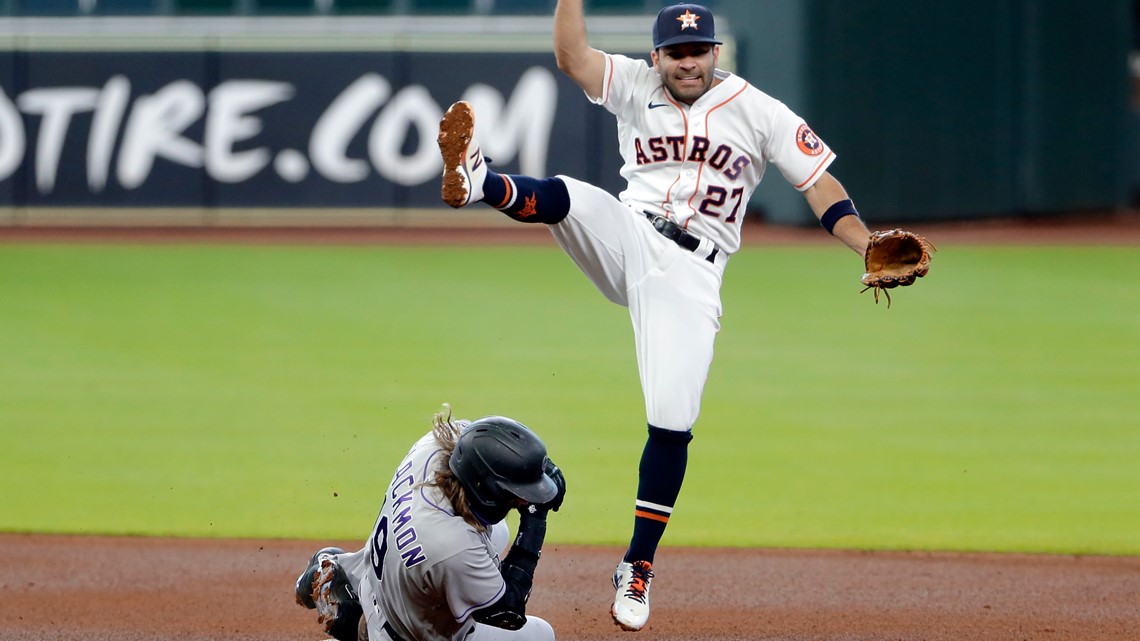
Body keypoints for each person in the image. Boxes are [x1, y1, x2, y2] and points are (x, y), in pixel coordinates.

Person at [437, 1, 876, 633]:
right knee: (574, 197)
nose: (688, 62)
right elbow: (571, 57)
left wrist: (863, 243)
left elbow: (818, 181)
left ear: (715, 54)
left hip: (694, 276)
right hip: (633, 234)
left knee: (672, 421)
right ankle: (477, 182)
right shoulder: (635, 86)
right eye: (676, 53)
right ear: (657, 57)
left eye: (698, 52)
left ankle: (636, 566)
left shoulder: (759, 110)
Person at [294, 408, 567, 641]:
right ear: (486, 489)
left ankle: (350, 575)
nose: (521, 498)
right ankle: (361, 628)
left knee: (498, 533)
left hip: (381, 579)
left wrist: (536, 470)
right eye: (516, 493)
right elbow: (508, 611)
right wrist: (535, 518)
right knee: (542, 634)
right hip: (405, 634)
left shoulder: (433, 447)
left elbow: (482, 436)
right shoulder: (453, 547)